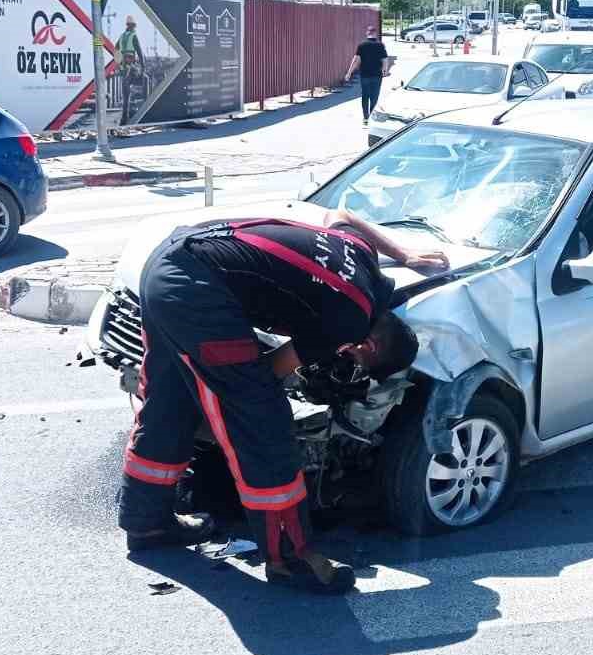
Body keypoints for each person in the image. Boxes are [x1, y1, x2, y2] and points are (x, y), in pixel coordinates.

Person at [120, 212, 447, 593]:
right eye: (356, 360)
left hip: (167, 263)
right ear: (368, 344)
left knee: (170, 402)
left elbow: (342, 217)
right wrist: (236, 400)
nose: (348, 358)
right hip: (198, 293)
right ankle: (291, 559)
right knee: (265, 425)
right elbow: (272, 370)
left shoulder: (362, 258)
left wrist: (404, 253)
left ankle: (147, 522)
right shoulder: (348, 321)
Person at [345, 26, 392, 124]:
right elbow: (385, 59)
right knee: (374, 96)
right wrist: (385, 70)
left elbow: (356, 60)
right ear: (375, 33)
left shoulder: (362, 45)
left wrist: (349, 72)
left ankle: (365, 117)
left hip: (365, 75)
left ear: (367, 33)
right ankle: (371, 116)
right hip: (377, 75)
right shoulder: (380, 45)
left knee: (365, 95)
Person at [116, 14, 146, 124]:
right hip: (131, 65)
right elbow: (139, 52)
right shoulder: (133, 35)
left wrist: (118, 62)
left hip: (123, 65)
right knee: (143, 80)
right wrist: (143, 67)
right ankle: (131, 114)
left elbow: (116, 49)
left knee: (125, 92)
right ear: (133, 26)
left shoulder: (122, 36)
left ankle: (125, 117)